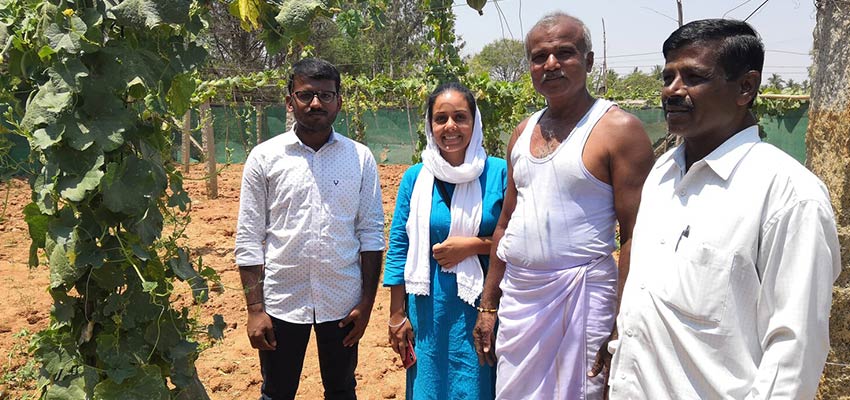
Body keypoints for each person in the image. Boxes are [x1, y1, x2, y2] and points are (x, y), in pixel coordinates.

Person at [608, 19, 841, 399]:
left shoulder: (788, 195)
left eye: (694, 77)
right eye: (668, 77)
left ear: (745, 87)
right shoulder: (664, 172)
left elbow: (794, 353)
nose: (672, 91)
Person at [472, 12, 655, 399]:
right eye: (539, 57)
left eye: (565, 53)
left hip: (583, 298)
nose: (551, 64)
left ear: (588, 61)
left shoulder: (618, 130)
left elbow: (637, 236)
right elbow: (506, 222)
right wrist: (489, 304)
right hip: (521, 300)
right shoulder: (523, 132)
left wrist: (622, 321)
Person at [234, 58, 385, 400]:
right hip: (282, 301)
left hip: (343, 303)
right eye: (306, 95)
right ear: (290, 102)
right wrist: (255, 310)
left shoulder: (360, 158)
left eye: (326, 95)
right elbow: (249, 237)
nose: (316, 103)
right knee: (276, 392)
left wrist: (366, 302)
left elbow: (372, 233)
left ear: (339, 102)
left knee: (343, 390)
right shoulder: (265, 158)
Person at [383, 82, 507, 399]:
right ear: (430, 125)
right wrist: (398, 315)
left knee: (476, 383)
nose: (450, 127)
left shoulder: (498, 172)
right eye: (441, 119)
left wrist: (473, 245)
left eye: (460, 117)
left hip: (483, 304)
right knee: (429, 385)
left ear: (474, 122)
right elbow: (399, 246)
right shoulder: (416, 177)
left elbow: (518, 239)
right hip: (428, 307)